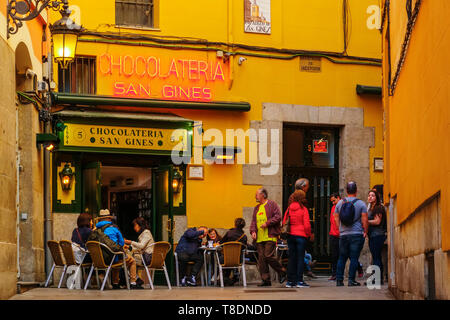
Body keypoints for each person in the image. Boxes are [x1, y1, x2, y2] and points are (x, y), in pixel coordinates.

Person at [93, 209, 143, 289]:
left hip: (98, 259)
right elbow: (122, 243)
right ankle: (133, 283)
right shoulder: (114, 228)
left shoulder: (94, 230)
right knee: (131, 260)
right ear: (109, 219)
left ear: (100, 219)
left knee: (115, 257)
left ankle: (115, 283)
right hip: (112, 258)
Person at [250, 188, 287, 287]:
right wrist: (253, 231)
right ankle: (266, 280)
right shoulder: (257, 207)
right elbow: (254, 221)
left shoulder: (272, 204)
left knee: (268, 255)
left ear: (263, 195)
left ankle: (282, 271)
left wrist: (267, 223)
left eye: (256, 194)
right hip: (259, 238)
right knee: (261, 259)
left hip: (270, 236)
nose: (255, 196)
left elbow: (278, 216)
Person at [334, 182, 368, 287]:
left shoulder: (340, 203)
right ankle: (351, 280)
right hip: (356, 234)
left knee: (342, 257)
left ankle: (339, 280)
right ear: (356, 191)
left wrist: (340, 229)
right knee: (354, 258)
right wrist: (365, 231)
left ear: (347, 191)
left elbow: (336, 217)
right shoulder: (361, 204)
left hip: (343, 235)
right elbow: (364, 219)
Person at [283, 189, 311, 288]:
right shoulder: (303, 209)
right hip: (301, 236)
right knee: (300, 258)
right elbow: (307, 225)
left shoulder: (289, 208)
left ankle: (290, 281)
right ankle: (299, 281)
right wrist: (308, 234)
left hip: (291, 235)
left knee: (291, 258)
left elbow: (284, 222)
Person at [218, 218, 249, 285]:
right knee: (233, 260)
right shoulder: (244, 236)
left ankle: (223, 278)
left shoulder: (229, 233)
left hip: (225, 259)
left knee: (219, 258)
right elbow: (244, 248)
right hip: (238, 260)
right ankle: (233, 277)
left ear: (235, 224)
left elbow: (221, 243)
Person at [367, 189, 387, 285]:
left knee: (376, 258)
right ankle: (378, 279)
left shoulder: (378, 208)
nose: (370, 197)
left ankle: (377, 279)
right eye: (369, 195)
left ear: (376, 198)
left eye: (372, 195)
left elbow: (377, 221)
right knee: (376, 257)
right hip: (373, 235)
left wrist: (366, 222)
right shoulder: (370, 208)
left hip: (377, 235)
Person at [328, 193, 341, 281]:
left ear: (338, 198)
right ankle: (334, 274)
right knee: (334, 256)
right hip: (333, 234)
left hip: (340, 235)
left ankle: (339, 274)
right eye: (332, 201)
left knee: (342, 255)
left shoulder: (342, 206)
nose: (333, 203)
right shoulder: (333, 207)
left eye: (334, 200)